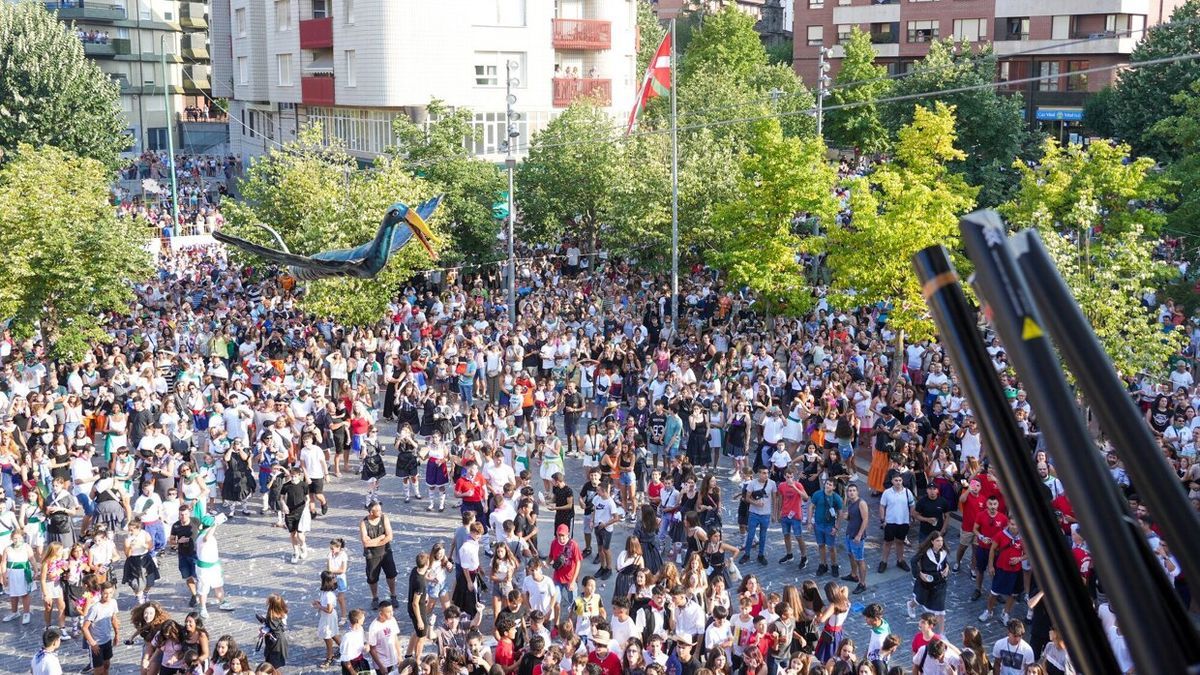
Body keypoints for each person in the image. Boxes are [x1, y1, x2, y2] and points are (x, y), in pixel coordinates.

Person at [360, 499, 399, 609]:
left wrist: (373, 542)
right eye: (378, 510)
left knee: (391, 575)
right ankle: (375, 597)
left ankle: (393, 595)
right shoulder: (364, 523)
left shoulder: (384, 518)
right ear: (371, 512)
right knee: (372, 578)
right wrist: (381, 537)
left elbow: (389, 536)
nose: (381, 512)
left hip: (386, 552)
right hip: (371, 555)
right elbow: (365, 543)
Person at [878, 474, 914, 573]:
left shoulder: (907, 492)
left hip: (903, 522)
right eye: (896, 480)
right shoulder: (887, 493)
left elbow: (912, 505)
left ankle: (900, 560)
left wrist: (911, 518)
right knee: (887, 543)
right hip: (890, 522)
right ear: (892, 481)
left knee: (900, 542)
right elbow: (882, 506)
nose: (898, 482)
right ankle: (884, 562)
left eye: (899, 480)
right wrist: (882, 519)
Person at [739, 467, 776, 566]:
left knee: (763, 536)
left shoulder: (772, 483)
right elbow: (747, 498)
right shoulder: (752, 483)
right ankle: (747, 554)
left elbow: (775, 499)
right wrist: (755, 503)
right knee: (750, 535)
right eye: (763, 473)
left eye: (767, 473)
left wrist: (774, 514)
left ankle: (761, 555)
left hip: (765, 514)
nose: (766, 475)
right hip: (754, 513)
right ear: (759, 474)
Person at [81, 582, 120, 675]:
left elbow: (113, 619)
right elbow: (84, 628)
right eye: (105, 593)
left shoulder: (113, 602)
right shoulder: (95, 608)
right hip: (97, 644)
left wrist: (117, 634)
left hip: (107, 640)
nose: (108, 596)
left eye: (110, 593)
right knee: (99, 671)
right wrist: (93, 643)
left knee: (106, 665)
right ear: (101, 593)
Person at [776, 467, 809, 567]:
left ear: (793, 477)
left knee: (798, 537)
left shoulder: (798, 485)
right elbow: (780, 499)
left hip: (796, 515)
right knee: (786, 535)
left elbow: (806, 498)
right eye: (787, 477)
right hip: (785, 514)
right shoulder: (781, 486)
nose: (789, 479)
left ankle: (804, 557)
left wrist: (794, 487)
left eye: (791, 477)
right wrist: (779, 512)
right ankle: (789, 554)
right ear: (784, 477)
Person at [810, 479, 843, 577]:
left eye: (830, 484)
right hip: (818, 525)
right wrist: (809, 521)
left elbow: (840, 513)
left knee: (831, 547)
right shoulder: (817, 494)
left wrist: (836, 527)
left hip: (830, 526)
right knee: (821, 545)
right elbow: (811, 506)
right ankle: (823, 564)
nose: (828, 486)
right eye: (827, 484)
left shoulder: (836, 498)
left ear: (834, 487)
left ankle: (834, 565)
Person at [1, 529, 35, 624]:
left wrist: (36, 571)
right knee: (13, 594)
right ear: (11, 538)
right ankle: (14, 612)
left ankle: (26, 613)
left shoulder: (26, 547)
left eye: (19, 538)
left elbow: (32, 559)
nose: (17, 540)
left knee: (25, 594)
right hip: (12, 573)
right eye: (15, 538)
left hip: (23, 573)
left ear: (22, 538)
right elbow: (3, 563)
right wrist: (4, 576)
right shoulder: (7, 549)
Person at [841, 483, 869, 594]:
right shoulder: (850, 502)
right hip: (849, 533)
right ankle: (853, 575)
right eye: (849, 491)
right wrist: (847, 518)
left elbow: (865, 520)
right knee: (850, 555)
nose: (851, 492)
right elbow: (853, 519)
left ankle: (862, 583)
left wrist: (859, 535)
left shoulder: (861, 503)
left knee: (859, 559)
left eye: (853, 490)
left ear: (857, 492)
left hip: (857, 536)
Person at [368, 600, 403, 674]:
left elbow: (395, 638)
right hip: (382, 662)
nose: (392, 613)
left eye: (392, 611)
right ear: (381, 614)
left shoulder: (392, 620)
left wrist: (399, 656)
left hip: (392, 659)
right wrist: (381, 666)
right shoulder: (374, 627)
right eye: (388, 612)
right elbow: (372, 649)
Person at [314, 570, 341, 668]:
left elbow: (329, 610)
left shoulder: (329, 594)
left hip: (328, 617)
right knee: (333, 634)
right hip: (327, 616)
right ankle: (343, 648)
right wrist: (320, 603)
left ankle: (330, 657)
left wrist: (319, 606)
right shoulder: (325, 592)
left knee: (327, 637)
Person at [406, 552, 431, 659]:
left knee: (416, 632)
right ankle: (417, 660)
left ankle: (408, 654)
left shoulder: (415, 570)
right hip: (418, 610)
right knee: (422, 636)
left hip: (415, 607)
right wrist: (419, 620)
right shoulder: (420, 583)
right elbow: (415, 603)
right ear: (426, 564)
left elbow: (422, 575)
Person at [261, 594, 289, 670]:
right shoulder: (280, 612)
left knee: (272, 665)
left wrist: (264, 632)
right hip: (279, 641)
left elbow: (275, 632)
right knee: (273, 663)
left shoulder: (272, 616)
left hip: (275, 643)